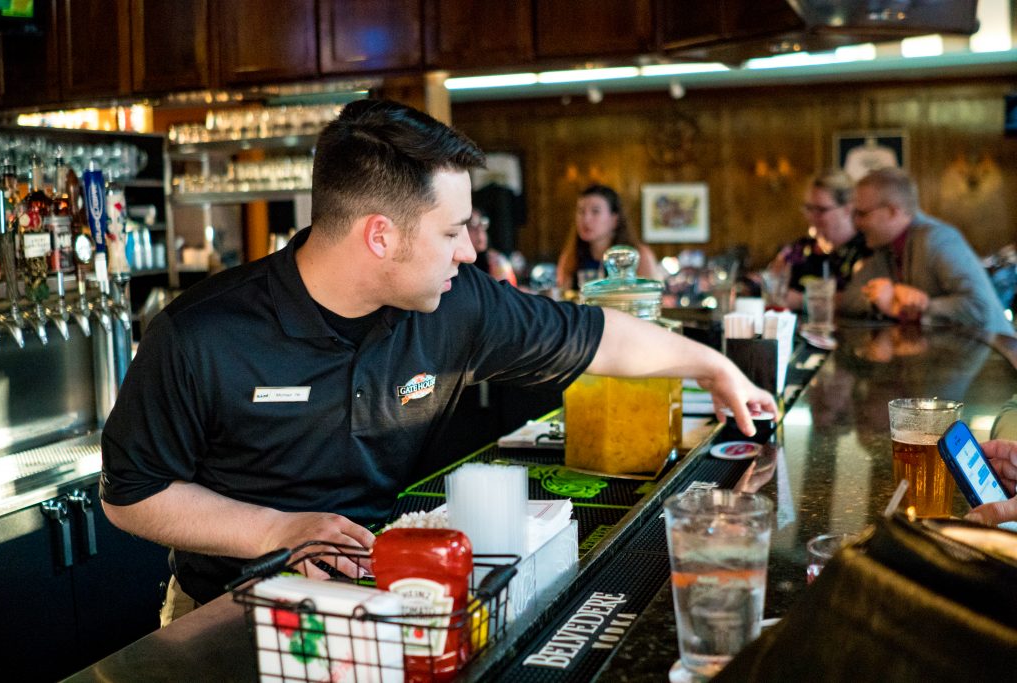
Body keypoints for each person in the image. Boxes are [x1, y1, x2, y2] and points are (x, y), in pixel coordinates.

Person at [99, 99, 776, 618]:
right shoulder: (199, 333)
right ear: (380, 236)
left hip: (388, 593)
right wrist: (281, 529)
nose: (470, 252)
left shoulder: (457, 304)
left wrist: (714, 367)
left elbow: (600, 334)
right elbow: (131, 494)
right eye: (453, 231)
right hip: (230, 609)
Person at [839, 168, 1013, 336]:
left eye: (862, 214)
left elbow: (980, 307)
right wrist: (880, 299)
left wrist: (918, 308)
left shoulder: (937, 238)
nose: (856, 223)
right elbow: (850, 299)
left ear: (893, 212)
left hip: (995, 356)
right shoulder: (885, 248)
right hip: (952, 356)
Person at [769, 170, 869, 310]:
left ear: (847, 208)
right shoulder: (801, 248)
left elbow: (861, 298)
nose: (811, 216)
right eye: (809, 208)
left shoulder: (867, 248)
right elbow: (769, 280)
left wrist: (802, 301)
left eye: (821, 210)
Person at [556, 184, 662, 291]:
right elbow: (563, 298)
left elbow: (651, 298)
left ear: (614, 219)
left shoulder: (639, 256)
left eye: (595, 211)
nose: (586, 219)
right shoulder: (570, 257)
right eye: (581, 211)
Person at [467, 207, 516, 286]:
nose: (480, 230)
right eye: (472, 225)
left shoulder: (495, 260)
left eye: (483, 224)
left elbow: (506, 292)